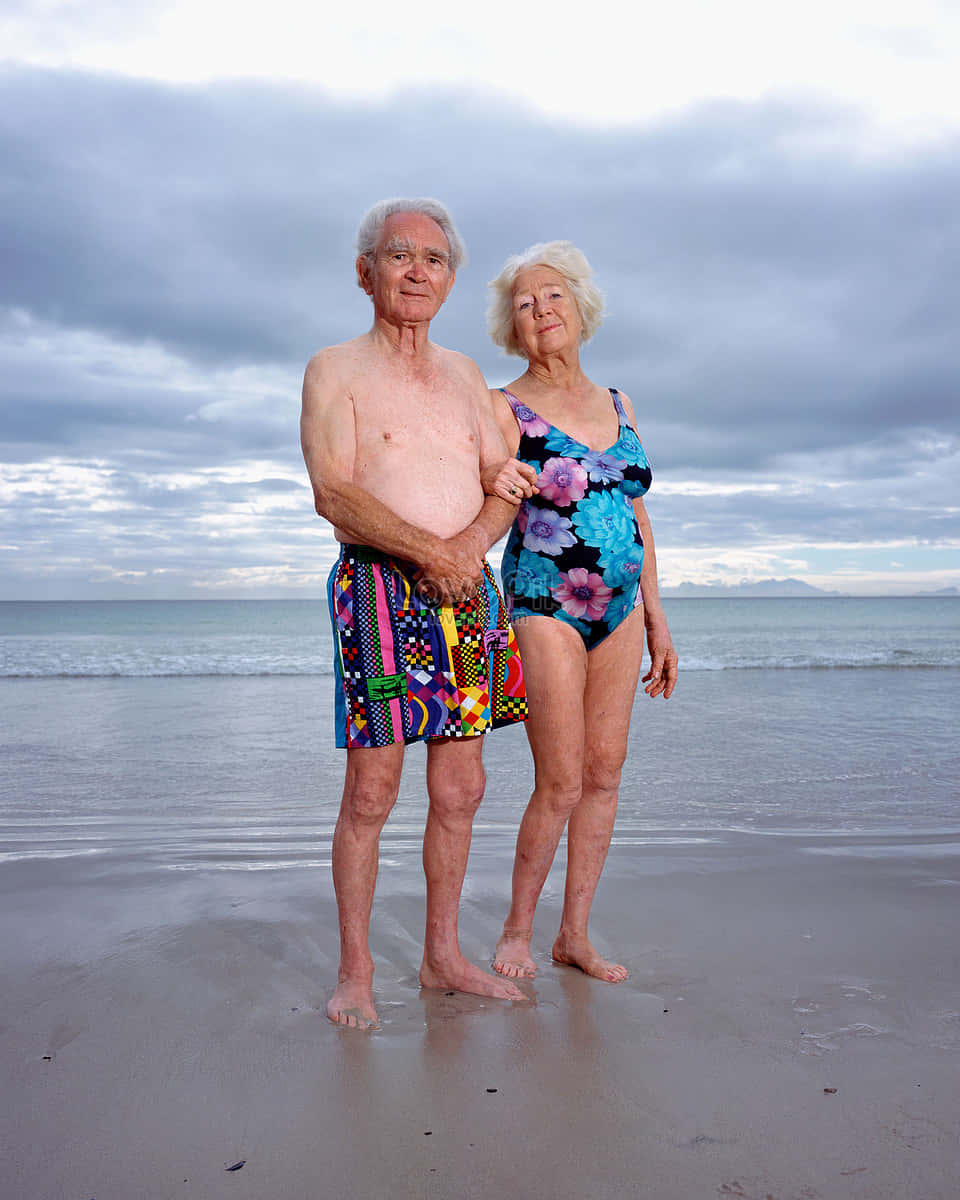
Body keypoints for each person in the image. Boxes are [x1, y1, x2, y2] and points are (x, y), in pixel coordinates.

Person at [300, 198, 537, 1029]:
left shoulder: (468, 377)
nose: (415, 271)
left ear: (450, 279)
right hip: (377, 586)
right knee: (372, 790)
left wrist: (465, 547)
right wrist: (427, 552)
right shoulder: (335, 368)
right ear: (366, 272)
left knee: (462, 785)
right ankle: (357, 970)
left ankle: (441, 956)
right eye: (398, 255)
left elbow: (508, 481)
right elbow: (334, 489)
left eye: (433, 260)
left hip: (468, 587)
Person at [483, 240, 679, 984]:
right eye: (525, 305)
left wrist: (657, 612)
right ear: (514, 327)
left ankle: (575, 936)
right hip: (543, 601)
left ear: (581, 307)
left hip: (621, 608)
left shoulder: (620, 403)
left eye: (554, 296)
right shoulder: (503, 408)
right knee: (560, 779)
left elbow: (634, 512)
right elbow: (489, 497)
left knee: (605, 772)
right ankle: (514, 933)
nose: (541, 311)